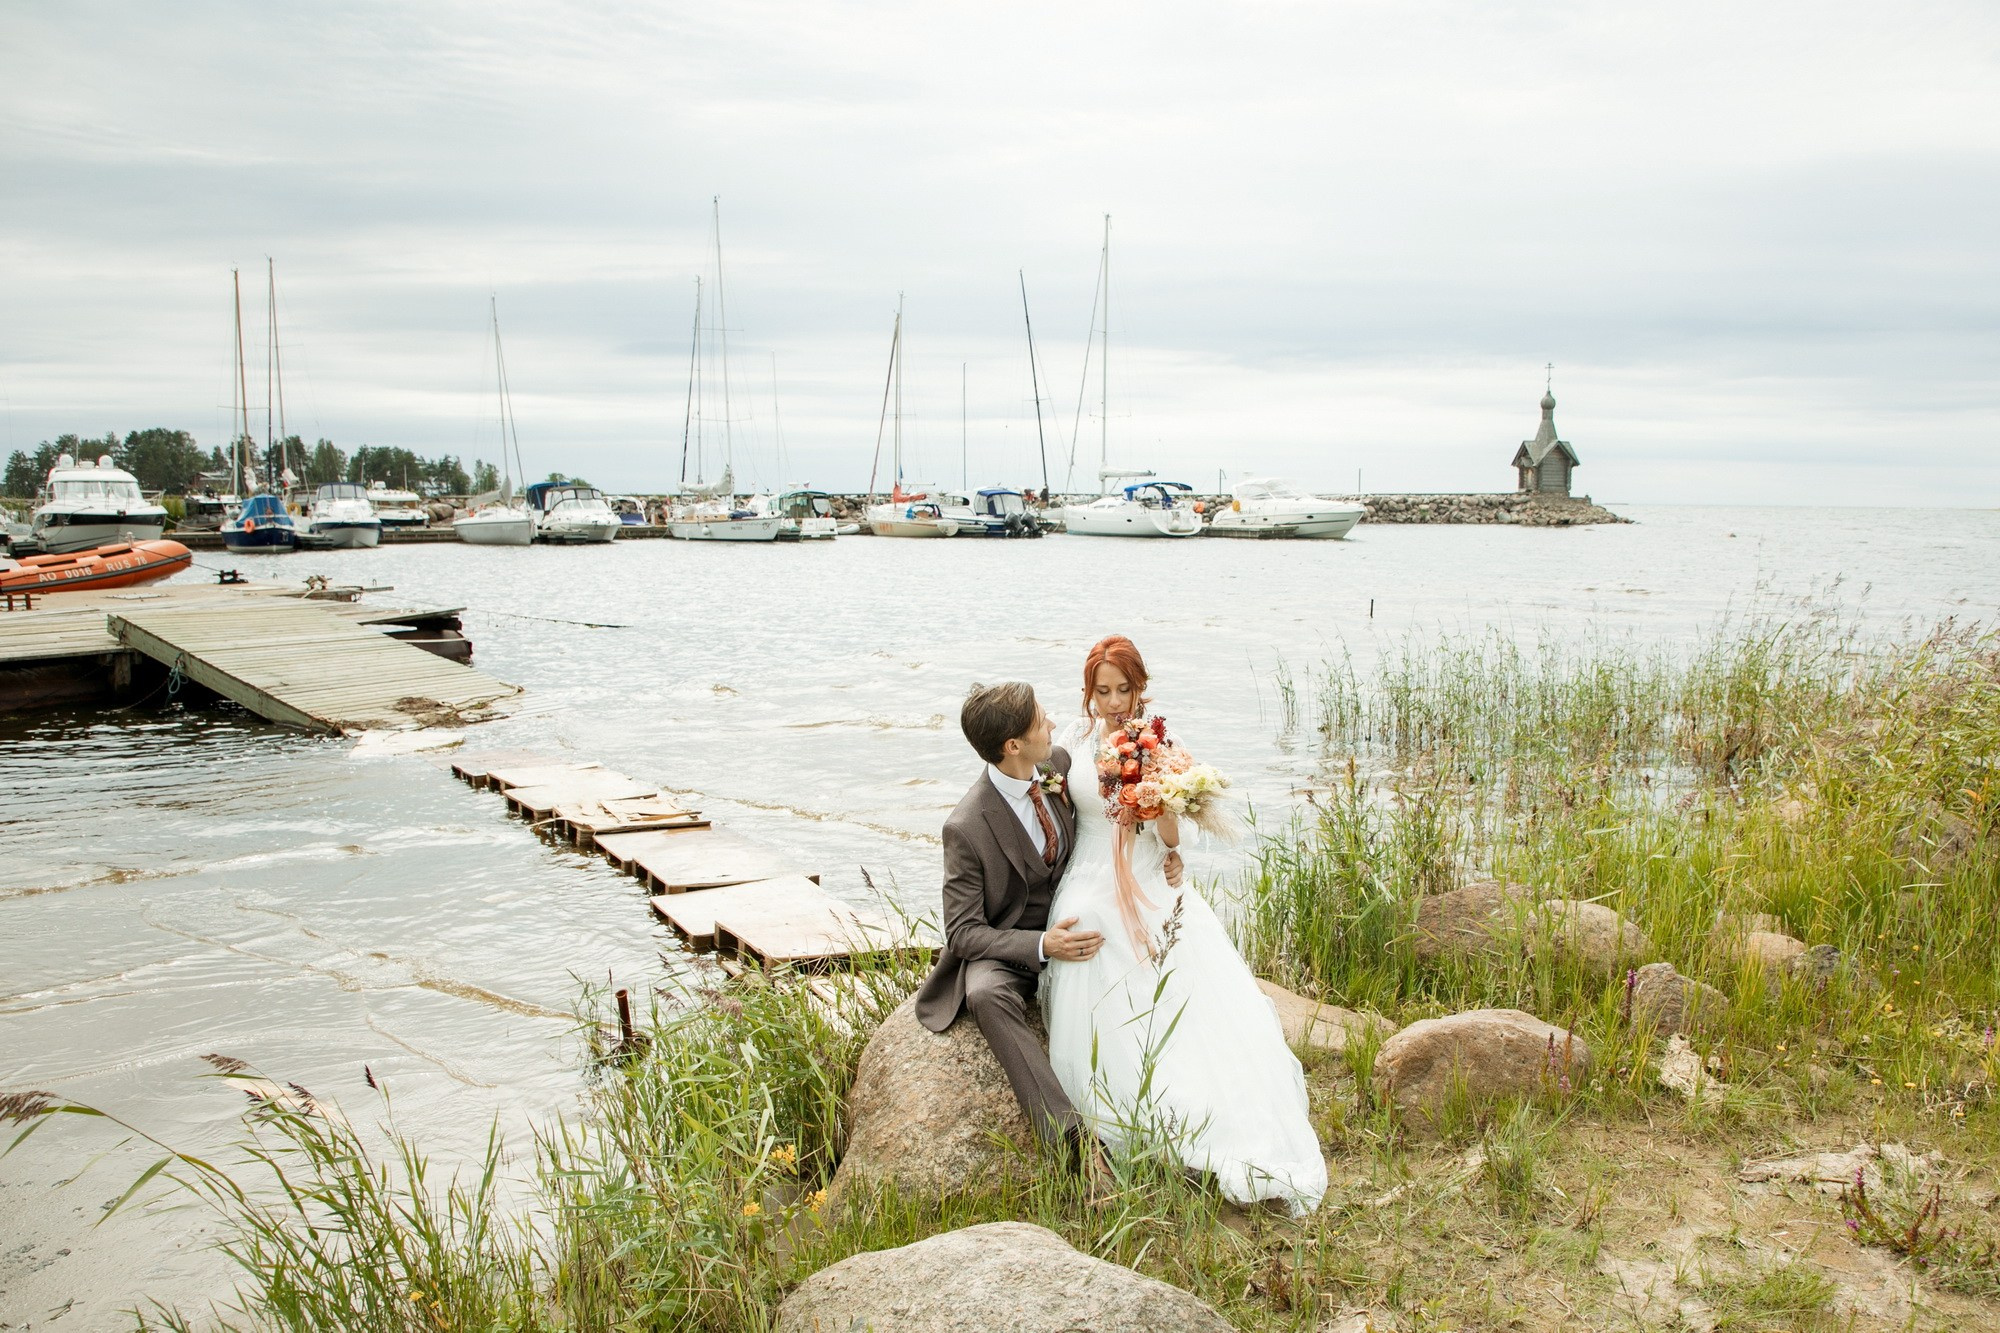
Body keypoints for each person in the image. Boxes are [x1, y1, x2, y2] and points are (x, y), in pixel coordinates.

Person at [1040, 634, 1327, 1214]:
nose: (1114, 702)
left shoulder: (1161, 745)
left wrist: (1162, 812)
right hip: (1088, 872)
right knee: (1088, 938)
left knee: (1177, 996)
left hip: (1148, 873)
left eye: (1124, 690)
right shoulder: (1071, 740)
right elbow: (1045, 794)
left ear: (1140, 688)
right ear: (1088, 691)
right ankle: (1099, 1126)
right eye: (1103, 691)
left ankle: (1191, 1121)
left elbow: (1177, 835)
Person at [912, 681, 1108, 1159]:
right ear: (1013, 745)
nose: (1053, 725)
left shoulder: (1057, 766)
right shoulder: (966, 826)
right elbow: (962, 932)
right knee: (983, 993)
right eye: (1042, 719)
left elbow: (1118, 811)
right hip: (1011, 944)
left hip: (1078, 917)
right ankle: (1071, 1142)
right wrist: (1041, 945)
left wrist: (1167, 849)